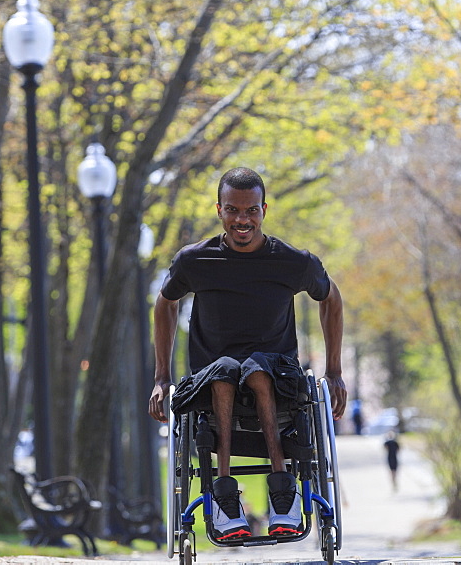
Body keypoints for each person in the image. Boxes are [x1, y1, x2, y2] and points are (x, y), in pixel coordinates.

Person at [148, 167, 346, 541]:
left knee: (258, 367)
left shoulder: (293, 261)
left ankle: (282, 493)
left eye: (251, 210)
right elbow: (165, 303)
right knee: (224, 370)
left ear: (264, 210)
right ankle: (224, 498)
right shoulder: (194, 261)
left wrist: (334, 371)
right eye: (233, 210)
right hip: (214, 378)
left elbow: (331, 299)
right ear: (219, 210)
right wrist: (161, 377)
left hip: (277, 376)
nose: (242, 219)